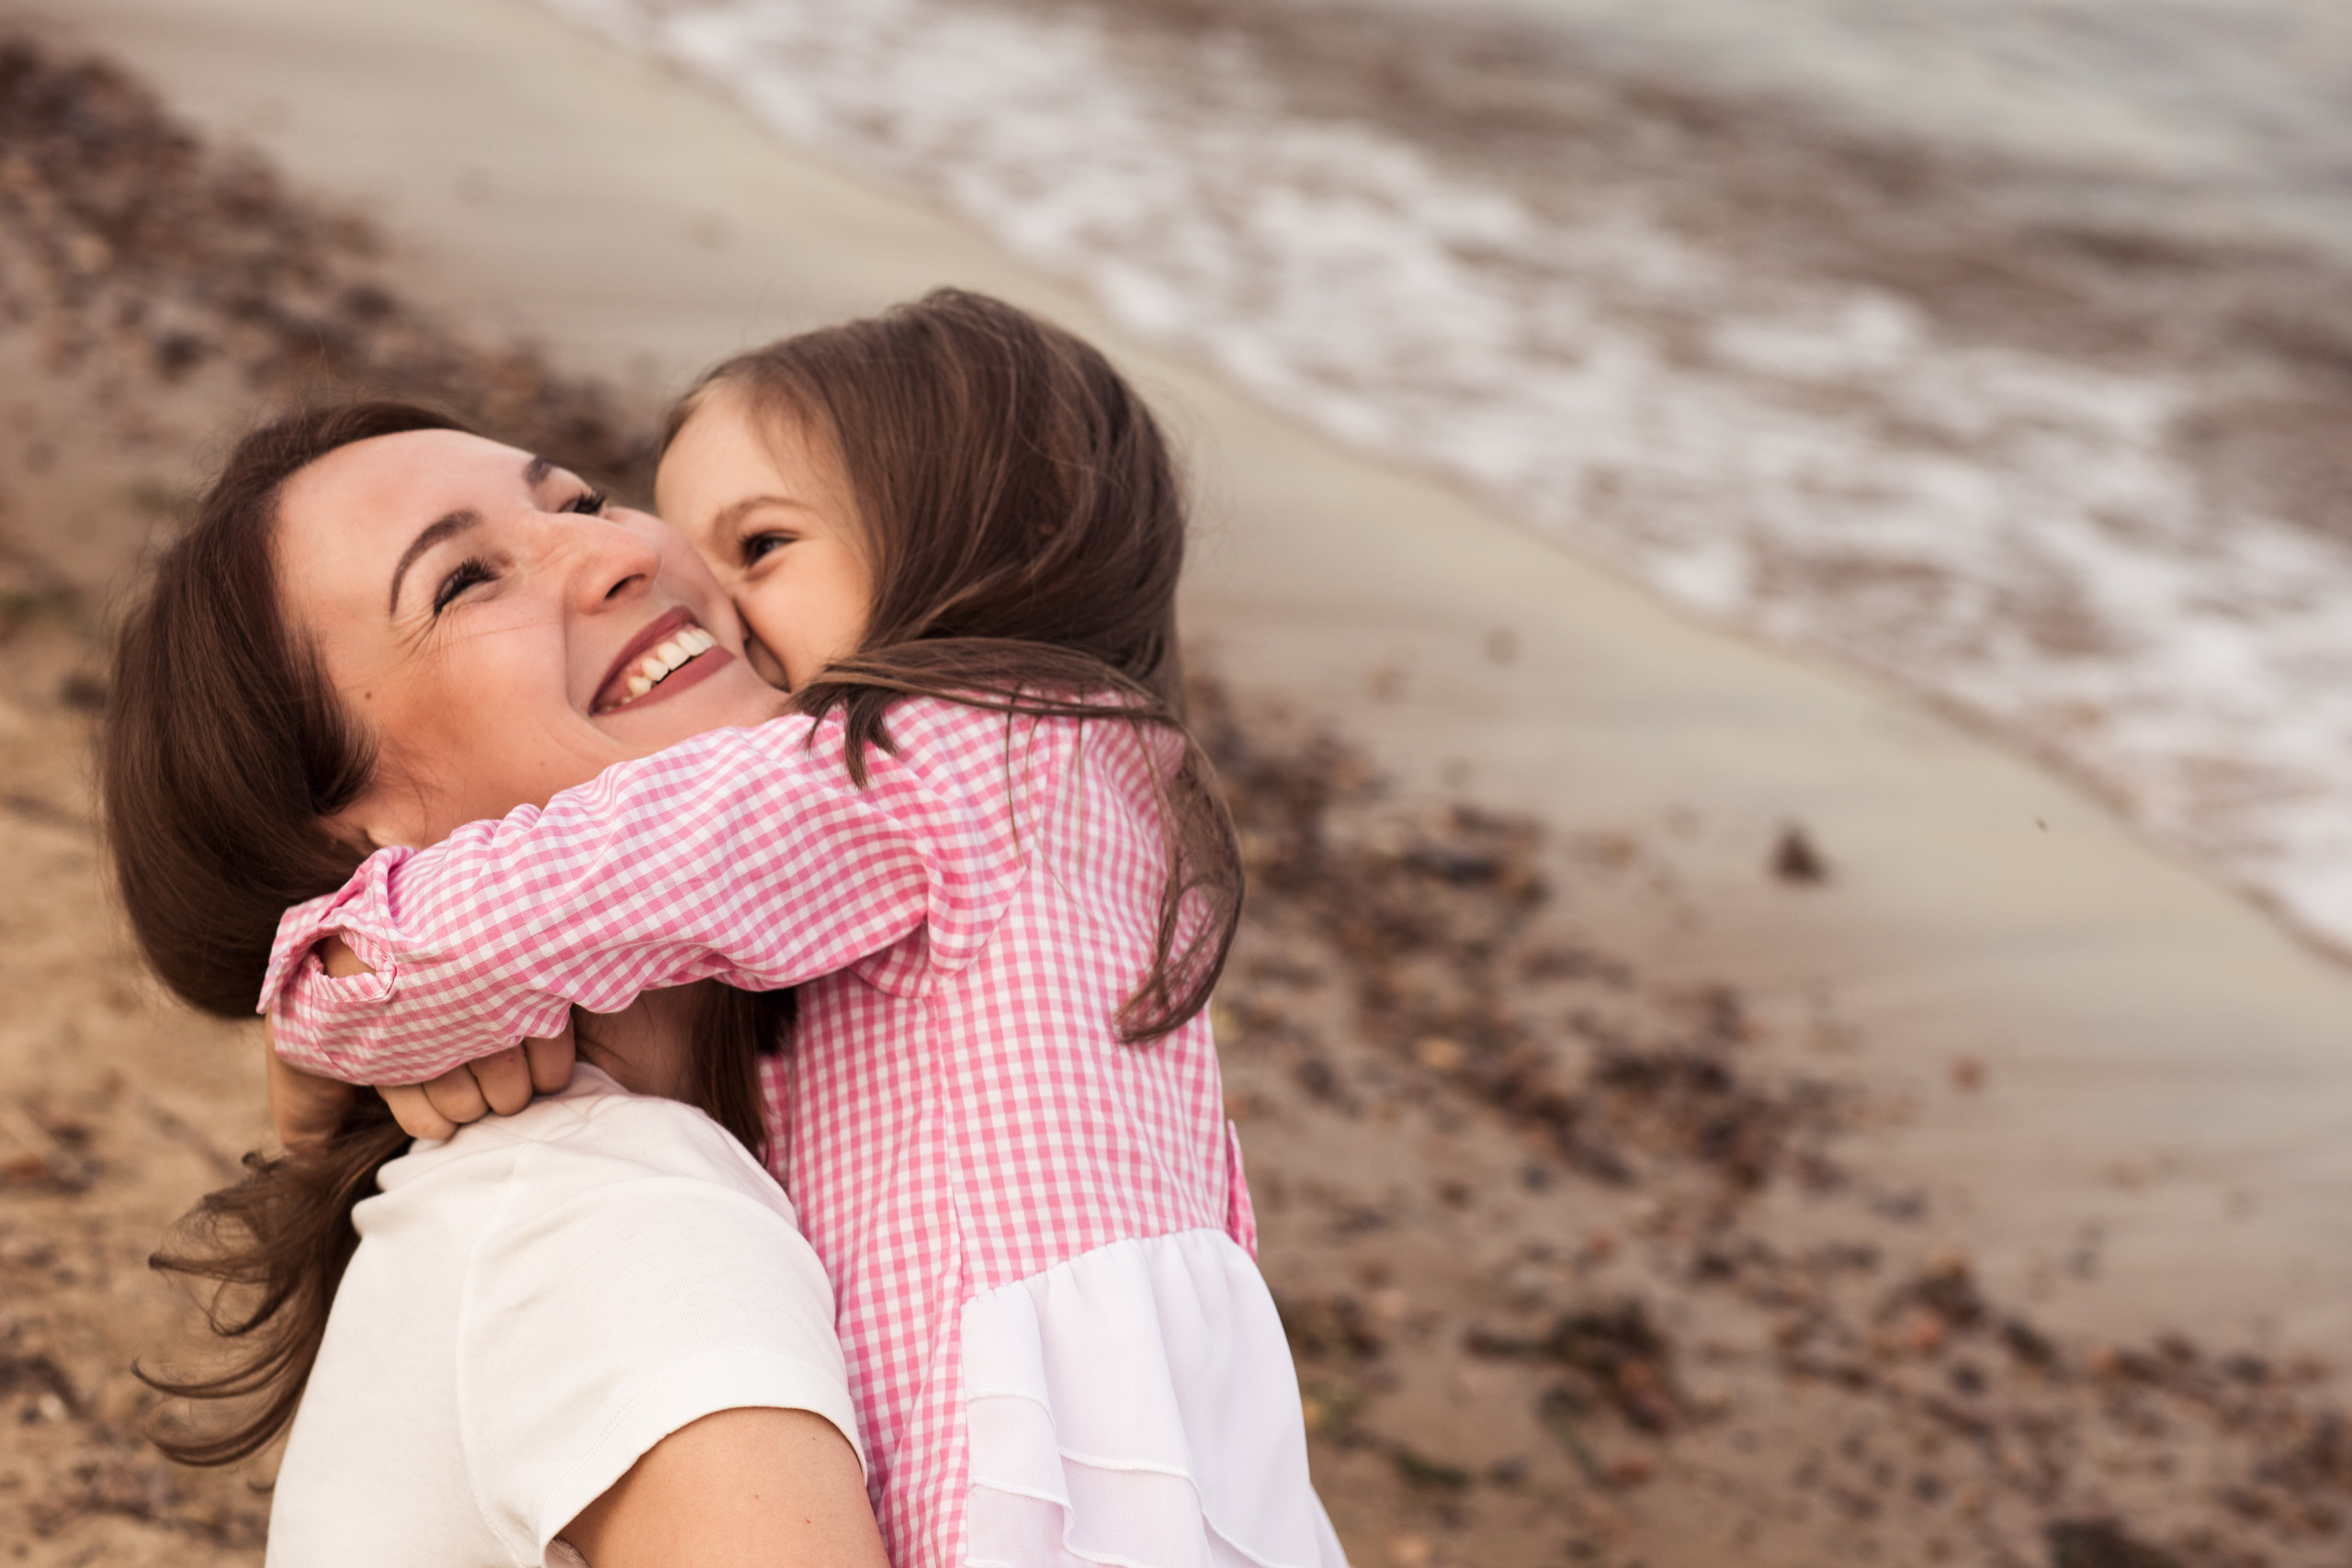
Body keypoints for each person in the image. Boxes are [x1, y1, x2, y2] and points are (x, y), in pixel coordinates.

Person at [263, 291, 1350, 1568]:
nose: (701, 601)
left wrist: (329, 1000)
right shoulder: (1071, 786)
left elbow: (582, 887)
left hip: (1035, 1474)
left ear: (987, 542)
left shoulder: (943, 756)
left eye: (763, 546)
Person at [105, 404, 889, 1567]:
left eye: (577, 502)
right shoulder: (607, 1219)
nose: (625, 548)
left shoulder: (823, 1104)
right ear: (353, 857)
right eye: (464, 581)